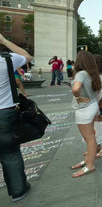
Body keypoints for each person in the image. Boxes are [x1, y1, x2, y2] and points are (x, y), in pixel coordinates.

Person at [0, 33, 33, 201]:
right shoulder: (6, 60)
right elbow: (27, 56)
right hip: (5, 113)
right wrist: (4, 41)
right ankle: (18, 190)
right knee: (10, 153)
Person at [70, 51, 102, 178]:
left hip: (84, 108)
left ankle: (90, 164)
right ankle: (88, 160)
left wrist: (78, 98)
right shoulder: (93, 74)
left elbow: (75, 89)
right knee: (91, 136)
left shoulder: (81, 74)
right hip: (93, 106)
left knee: (89, 138)